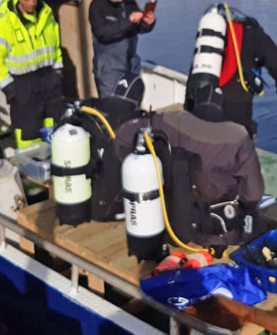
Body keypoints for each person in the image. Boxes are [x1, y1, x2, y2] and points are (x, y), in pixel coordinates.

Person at [115, 85, 268, 246]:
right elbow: (254, 194)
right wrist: (243, 209)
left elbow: (124, 134)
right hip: (214, 223)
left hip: (171, 212)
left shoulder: (168, 119)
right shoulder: (239, 135)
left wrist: (138, 163)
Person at [0, 0, 63, 148]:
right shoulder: (5, 24)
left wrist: (58, 73)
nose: (31, 3)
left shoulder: (47, 15)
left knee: (54, 126)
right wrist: (11, 89)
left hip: (49, 81)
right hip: (23, 85)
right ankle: (31, 170)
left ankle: (55, 164)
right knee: (28, 133)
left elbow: (57, 48)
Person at [218, 16, 277, 137]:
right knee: (240, 135)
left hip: (206, 92)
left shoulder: (220, 34)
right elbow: (276, 63)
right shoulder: (255, 35)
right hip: (236, 98)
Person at [89, 0, 155, 96]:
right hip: (109, 69)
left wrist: (148, 23)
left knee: (133, 101)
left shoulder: (128, 1)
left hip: (131, 65)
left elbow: (139, 29)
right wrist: (129, 21)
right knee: (111, 107)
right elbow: (103, 33)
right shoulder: (97, 6)